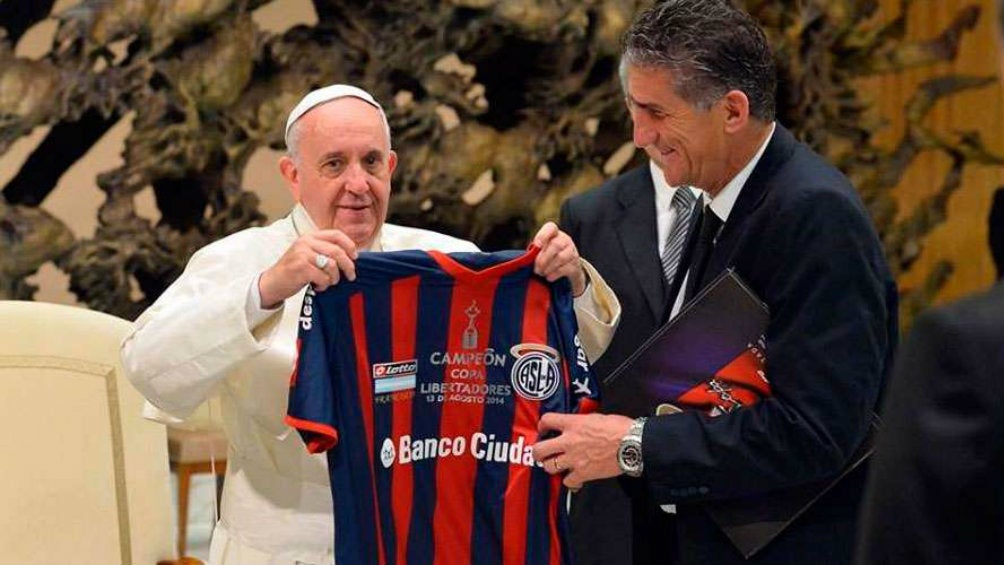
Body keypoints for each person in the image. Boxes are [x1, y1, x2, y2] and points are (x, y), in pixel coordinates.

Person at [121, 84, 621, 565]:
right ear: (293, 175)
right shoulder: (237, 259)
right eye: (334, 164)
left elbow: (563, 357)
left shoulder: (447, 260)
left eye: (372, 162)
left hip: (422, 538)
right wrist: (266, 289)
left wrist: (570, 279)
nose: (357, 184)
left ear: (392, 167)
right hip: (284, 545)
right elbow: (148, 369)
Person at [535, 2, 898, 564]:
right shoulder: (722, 201)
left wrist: (632, 446)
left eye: (656, 112)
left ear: (732, 110)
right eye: (634, 110)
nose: (638, 136)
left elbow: (818, 431)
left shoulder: (815, 212)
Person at [560, 157, 699, 564]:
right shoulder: (588, 214)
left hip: (717, 490)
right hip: (611, 503)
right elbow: (569, 354)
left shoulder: (748, 213)